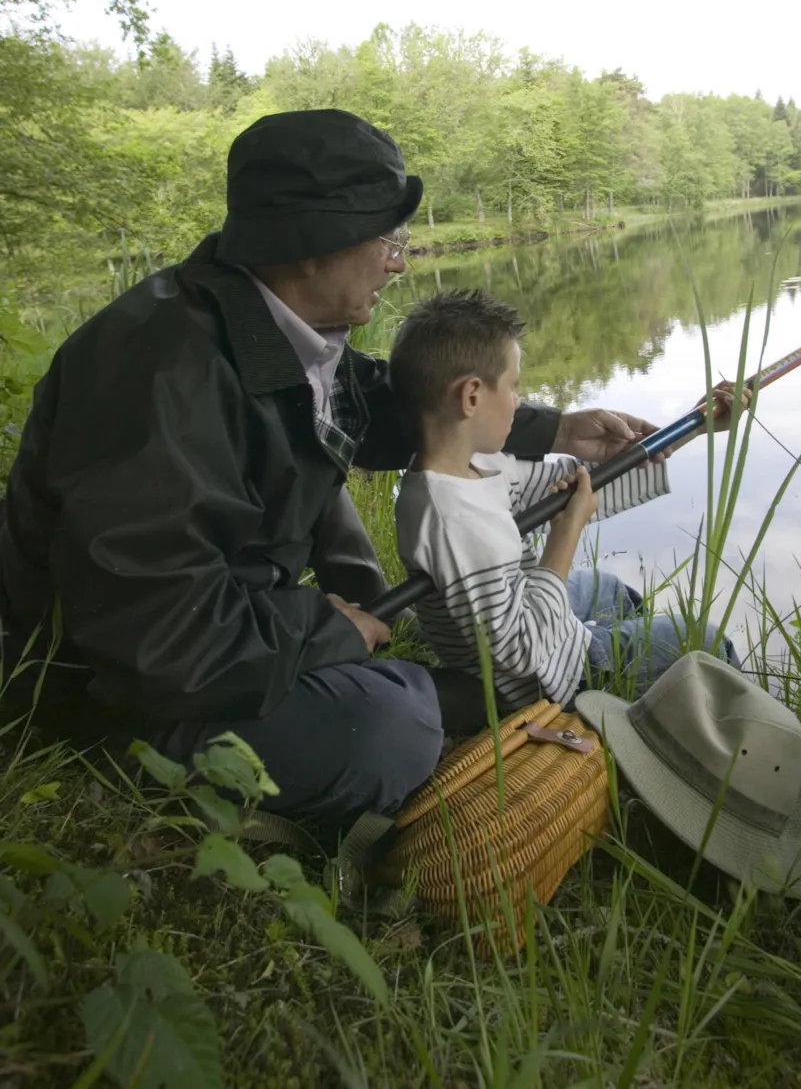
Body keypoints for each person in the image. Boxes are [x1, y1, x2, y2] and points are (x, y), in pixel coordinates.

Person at [0, 109, 670, 822]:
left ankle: (485, 680)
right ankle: (446, 698)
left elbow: (387, 405)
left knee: (601, 594)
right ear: (309, 244)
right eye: (386, 238)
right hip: (116, 690)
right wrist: (319, 630)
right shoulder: (153, 377)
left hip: (229, 635)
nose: (399, 260)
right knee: (389, 729)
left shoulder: (262, 326)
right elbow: (153, 636)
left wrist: (556, 428)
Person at [390, 289, 744, 712]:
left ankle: (638, 678)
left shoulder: (471, 468)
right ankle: (653, 706)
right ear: (471, 397)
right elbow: (521, 651)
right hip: (547, 681)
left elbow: (579, 486)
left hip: (531, 613)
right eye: (513, 386)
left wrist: (693, 427)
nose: (518, 401)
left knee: (612, 592)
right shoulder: (452, 521)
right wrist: (565, 537)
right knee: (705, 641)